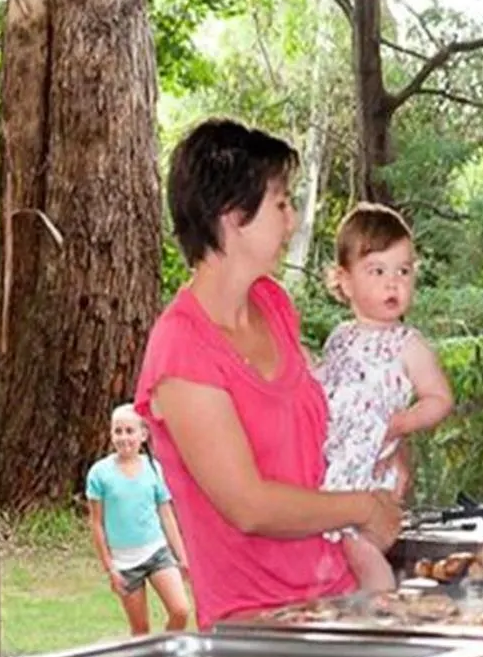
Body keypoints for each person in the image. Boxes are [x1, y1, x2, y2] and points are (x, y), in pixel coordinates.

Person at [137, 119, 402, 625]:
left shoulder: (273, 304)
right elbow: (248, 505)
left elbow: (325, 425)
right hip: (255, 627)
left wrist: (386, 444)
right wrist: (363, 507)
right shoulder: (182, 349)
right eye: (281, 203)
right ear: (233, 216)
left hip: (337, 604)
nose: (293, 219)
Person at [316, 203, 454, 593]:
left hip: (374, 463)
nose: (393, 284)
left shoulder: (408, 345)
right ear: (344, 280)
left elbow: (439, 397)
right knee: (332, 547)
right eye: (377, 271)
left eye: (403, 272)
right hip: (339, 461)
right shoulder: (339, 337)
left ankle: (382, 604)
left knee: (359, 546)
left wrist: (402, 424)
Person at [85, 405, 195, 636]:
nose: (124, 438)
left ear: (143, 435)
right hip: (125, 563)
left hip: (157, 553)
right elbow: (97, 523)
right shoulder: (99, 474)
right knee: (140, 629)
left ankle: (164, 654)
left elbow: (166, 513)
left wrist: (182, 556)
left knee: (181, 611)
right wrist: (110, 568)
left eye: (129, 431)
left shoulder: (154, 468)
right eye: (118, 431)